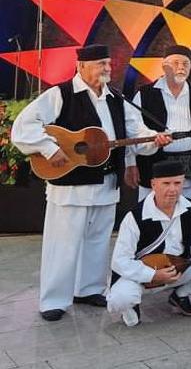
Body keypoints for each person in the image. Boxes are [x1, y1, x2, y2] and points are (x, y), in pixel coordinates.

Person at [10, 44, 172, 321]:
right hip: (71, 186)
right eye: (100, 64)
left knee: (98, 241)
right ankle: (54, 300)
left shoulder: (117, 98)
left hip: (106, 183)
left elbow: (136, 133)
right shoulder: (61, 94)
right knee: (63, 244)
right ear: (81, 66)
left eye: (108, 63)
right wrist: (49, 148)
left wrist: (154, 140)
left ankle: (89, 289)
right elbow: (23, 126)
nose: (107, 69)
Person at [106, 160, 191, 327]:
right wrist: (152, 275)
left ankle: (183, 295)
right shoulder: (135, 217)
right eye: (166, 183)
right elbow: (119, 261)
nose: (172, 189)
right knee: (121, 299)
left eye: (177, 183)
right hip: (142, 274)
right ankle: (132, 304)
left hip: (177, 268)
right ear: (153, 184)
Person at [126, 45, 191, 199]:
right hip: (153, 164)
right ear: (165, 67)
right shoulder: (145, 94)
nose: (181, 67)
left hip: (188, 163)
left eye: (185, 64)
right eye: (176, 63)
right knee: (151, 208)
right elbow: (132, 129)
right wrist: (130, 162)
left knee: (185, 208)